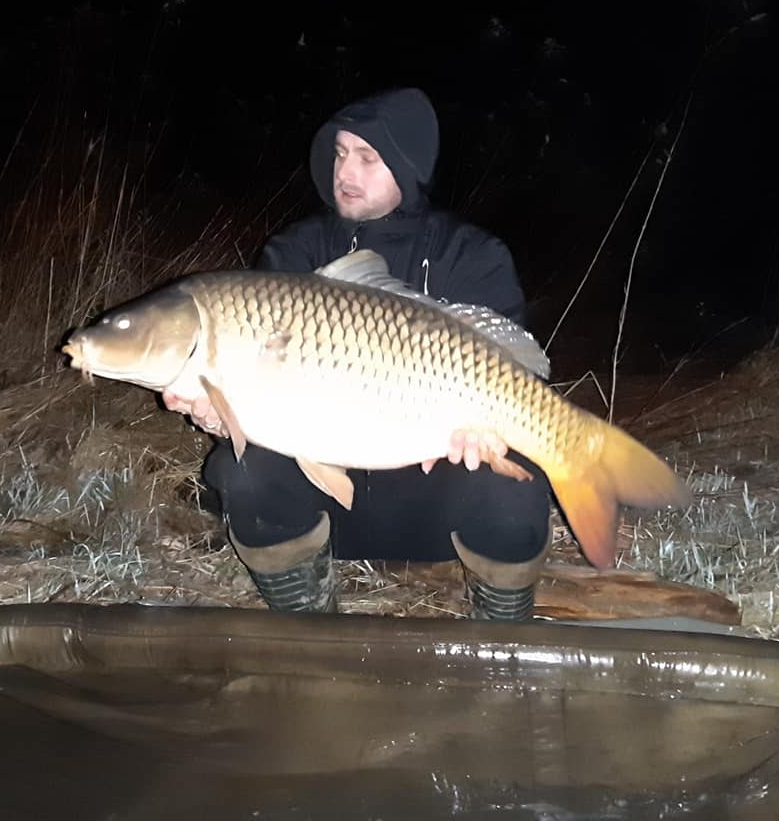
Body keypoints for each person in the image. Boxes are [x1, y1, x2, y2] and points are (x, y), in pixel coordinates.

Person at [164, 87, 553, 620]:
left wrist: (490, 434)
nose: (345, 171)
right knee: (244, 473)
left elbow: (522, 376)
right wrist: (220, 416)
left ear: (407, 166)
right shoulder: (294, 252)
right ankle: (309, 621)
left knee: (516, 488)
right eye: (341, 153)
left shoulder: (471, 255)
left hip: (439, 507)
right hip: (327, 512)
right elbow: (256, 398)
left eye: (368, 157)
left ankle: (500, 638)